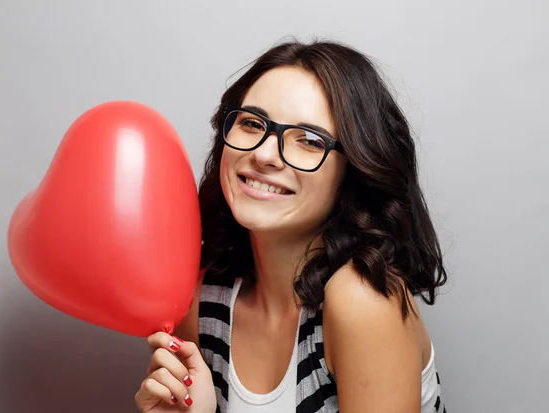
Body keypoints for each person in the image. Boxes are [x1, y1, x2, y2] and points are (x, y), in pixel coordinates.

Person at [134, 39, 448, 413]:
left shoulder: (363, 299)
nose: (264, 154)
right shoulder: (202, 302)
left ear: (354, 170)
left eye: (310, 140)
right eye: (252, 123)